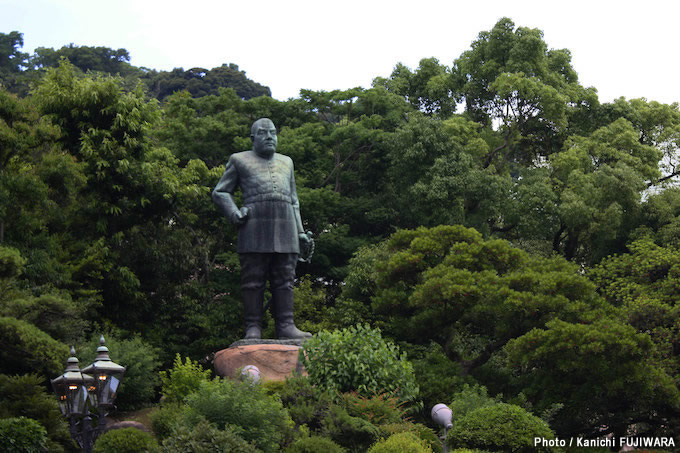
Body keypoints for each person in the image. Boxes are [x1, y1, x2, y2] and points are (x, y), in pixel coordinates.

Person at [212, 118, 312, 340]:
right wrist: (234, 213)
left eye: (273, 133)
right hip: (254, 225)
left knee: (285, 277)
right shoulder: (239, 160)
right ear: (253, 138)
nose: (269, 137)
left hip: (286, 225)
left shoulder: (287, 162)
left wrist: (300, 232)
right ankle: (253, 327)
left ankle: (286, 325)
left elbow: (294, 200)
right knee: (253, 279)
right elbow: (220, 192)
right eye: (263, 133)